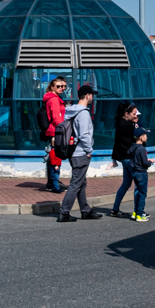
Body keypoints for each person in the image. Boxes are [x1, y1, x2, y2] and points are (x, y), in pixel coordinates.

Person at [58, 84, 103, 222]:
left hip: (74, 152)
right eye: (92, 95)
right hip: (81, 153)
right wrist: (89, 150)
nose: (92, 98)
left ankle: (85, 210)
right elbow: (84, 135)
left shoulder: (71, 111)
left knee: (81, 183)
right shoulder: (83, 113)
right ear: (87, 95)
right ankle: (64, 212)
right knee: (76, 183)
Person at [110, 101, 145, 217]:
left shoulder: (120, 123)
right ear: (126, 114)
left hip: (124, 158)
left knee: (126, 183)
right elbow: (140, 134)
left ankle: (115, 209)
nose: (136, 116)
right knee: (139, 185)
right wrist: (137, 123)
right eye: (134, 113)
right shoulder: (128, 125)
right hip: (131, 158)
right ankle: (138, 211)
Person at [41, 77, 68, 193]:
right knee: (55, 159)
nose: (62, 88)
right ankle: (54, 184)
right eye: (58, 86)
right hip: (56, 131)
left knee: (53, 158)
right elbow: (57, 118)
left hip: (53, 130)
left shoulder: (52, 98)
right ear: (52, 87)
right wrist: (65, 129)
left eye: (63, 87)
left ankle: (52, 182)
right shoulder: (54, 99)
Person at [127, 126, 154, 222]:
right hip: (141, 173)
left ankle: (136, 211)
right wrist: (150, 162)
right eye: (145, 135)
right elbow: (145, 163)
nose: (146, 137)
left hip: (134, 172)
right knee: (142, 193)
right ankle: (140, 213)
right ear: (141, 137)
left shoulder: (133, 147)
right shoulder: (142, 149)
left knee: (137, 192)